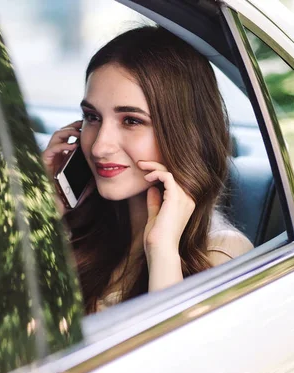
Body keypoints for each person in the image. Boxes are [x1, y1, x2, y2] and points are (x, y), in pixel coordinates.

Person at [42, 26, 253, 313]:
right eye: (92, 117)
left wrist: (162, 252)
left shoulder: (222, 252)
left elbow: (180, 356)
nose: (99, 146)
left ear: (185, 133)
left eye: (131, 121)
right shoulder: (78, 226)